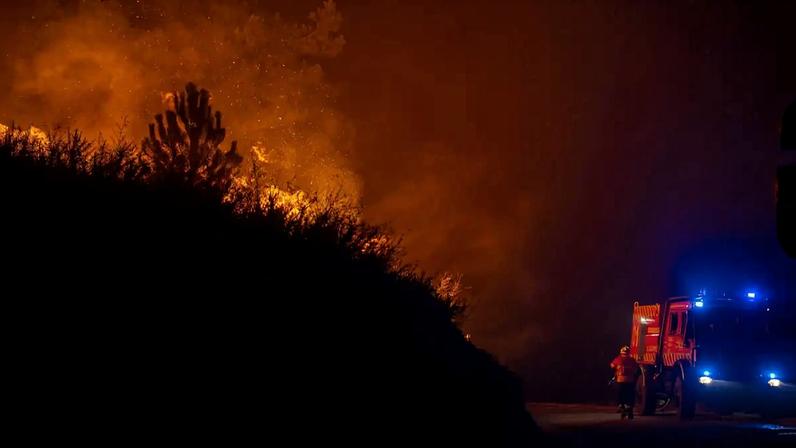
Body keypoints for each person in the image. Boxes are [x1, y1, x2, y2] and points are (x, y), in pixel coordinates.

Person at [610, 345, 639, 419]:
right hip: (630, 381)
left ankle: (621, 406)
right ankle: (629, 409)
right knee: (630, 395)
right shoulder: (632, 360)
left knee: (620, 395)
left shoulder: (618, 359)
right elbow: (636, 369)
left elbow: (612, 365)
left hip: (620, 381)